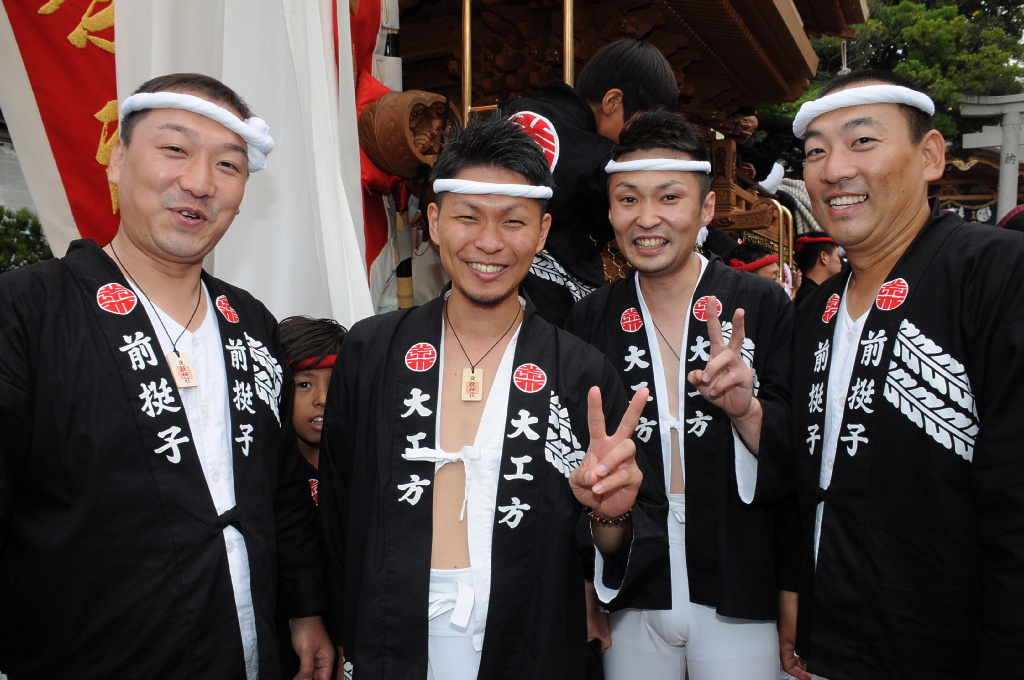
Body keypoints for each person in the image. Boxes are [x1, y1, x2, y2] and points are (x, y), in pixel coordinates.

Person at [0, 74, 333, 679]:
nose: (200, 182)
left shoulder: (250, 322)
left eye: (228, 165)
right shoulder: (27, 311)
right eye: (175, 149)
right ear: (117, 159)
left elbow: (282, 485)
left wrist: (304, 609)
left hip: (247, 652)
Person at [318, 115, 667, 680]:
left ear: (543, 231)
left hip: (529, 636)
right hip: (386, 628)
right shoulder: (371, 350)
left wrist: (612, 514)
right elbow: (336, 506)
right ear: (434, 221)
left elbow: (617, 538)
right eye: (468, 217)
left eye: (513, 221)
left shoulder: (580, 371)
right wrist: (326, 622)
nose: (489, 243)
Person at [781, 70, 1024, 680]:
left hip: (951, 649)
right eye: (816, 152)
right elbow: (808, 481)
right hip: (832, 643)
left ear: (931, 155)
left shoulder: (997, 275)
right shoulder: (816, 308)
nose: (834, 170)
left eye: (862, 141)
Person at [566, 109, 795, 680]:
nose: (647, 218)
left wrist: (747, 411)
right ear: (611, 211)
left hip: (738, 568)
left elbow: (801, 451)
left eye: (669, 197)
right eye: (628, 199)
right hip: (631, 572)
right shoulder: (588, 319)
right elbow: (572, 462)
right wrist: (585, 591)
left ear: (706, 208)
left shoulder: (761, 304)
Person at [499, 38, 678, 326]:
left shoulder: (514, 110)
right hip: (542, 297)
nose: (639, 139)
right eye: (640, 124)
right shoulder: (597, 156)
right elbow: (604, 226)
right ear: (612, 102)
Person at [276, 316, 348, 678]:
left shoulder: (366, 467)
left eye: (336, 384)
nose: (322, 399)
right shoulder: (263, 478)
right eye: (304, 384)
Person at [792, 232, 842, 307]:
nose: (841, 262)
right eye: (838, 256)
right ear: (824, 257)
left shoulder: (819, 293)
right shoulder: (811, 298)